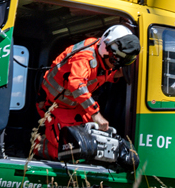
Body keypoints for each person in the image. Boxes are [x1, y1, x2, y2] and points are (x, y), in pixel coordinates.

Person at [41, 24, 139, 160]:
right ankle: (36, 144)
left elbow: (104, 75)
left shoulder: (103, 60)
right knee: (66, 149)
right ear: (107, 48)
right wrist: (96, 115)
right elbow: (76, 84)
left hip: (76, 107)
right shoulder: (85, 56)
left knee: (90, 144)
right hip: (54, 105)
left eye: (123, 62)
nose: (116, 65)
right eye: (115, 60)